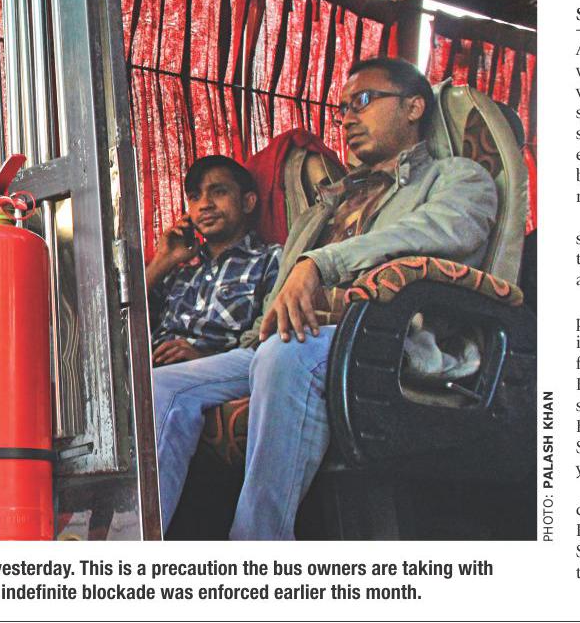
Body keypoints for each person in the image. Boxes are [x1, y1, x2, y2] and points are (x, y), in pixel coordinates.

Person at [150, 57, 499, 539]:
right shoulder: (328, 205)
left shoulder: (456, 177)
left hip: (387, 340)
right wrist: (248, 341)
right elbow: (279, 298)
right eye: (342, 110)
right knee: (160, 386)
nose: (347, 120)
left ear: (414, 107)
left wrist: (320, 264)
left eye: (362, 102)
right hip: (299, 339)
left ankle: (259, 545)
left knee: (285, 352)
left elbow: (440, 231)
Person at [145, 156, 280, 367]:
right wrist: (163, 260)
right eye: (195, 197)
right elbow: (115, 323)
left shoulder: (269, 260)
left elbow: (272, 342)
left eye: (219, 192)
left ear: (248, 202)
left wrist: (203, 360)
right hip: (152, 371)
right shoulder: (178, 270)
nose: (205, 205)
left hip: (219, 373)